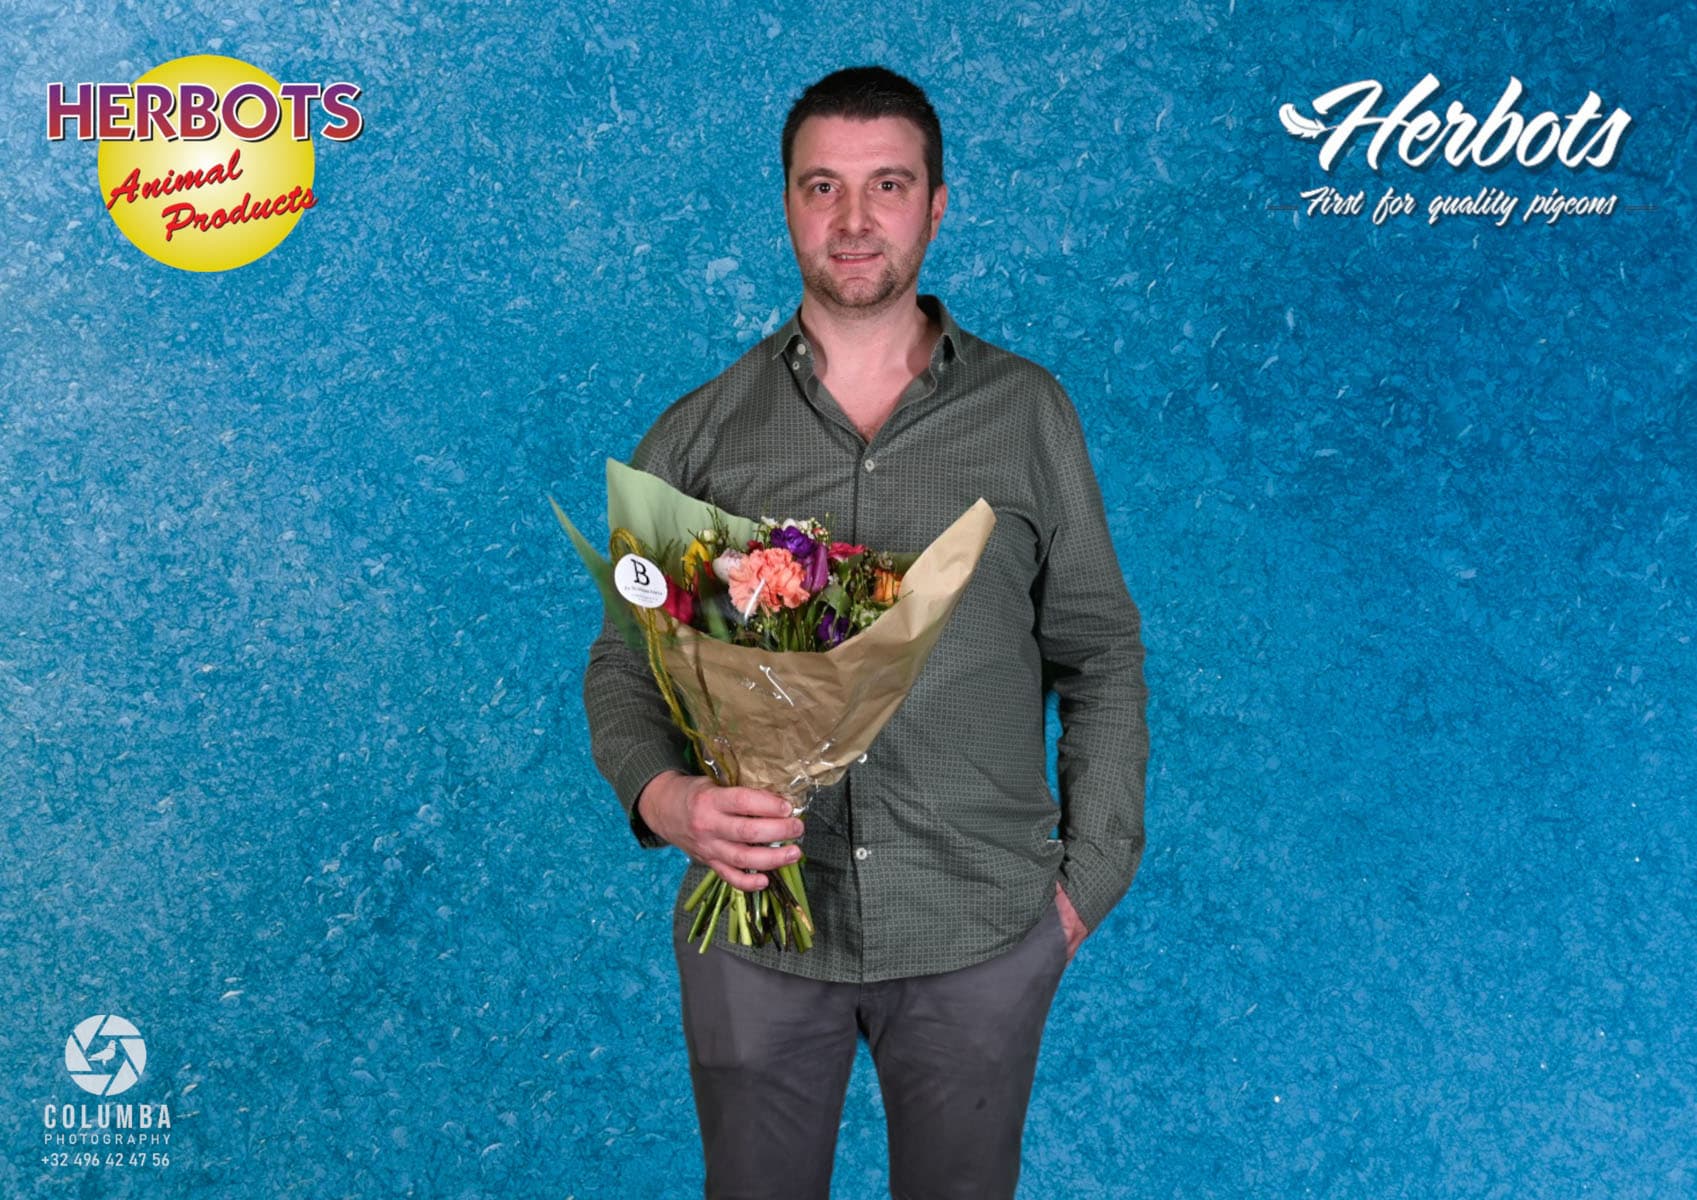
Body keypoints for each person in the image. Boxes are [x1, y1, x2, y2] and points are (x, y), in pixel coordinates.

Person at [582, 65, 1148, 1200]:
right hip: (755, 933)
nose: (852, 219)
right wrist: (668, 801)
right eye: (821, 187)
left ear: (935, 205)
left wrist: (1088, 879)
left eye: (886, 185)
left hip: (981, 927)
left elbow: (1099, 652)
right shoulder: (698, 435)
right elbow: (624, 666)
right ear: (786, 206)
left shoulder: (1027, 414)